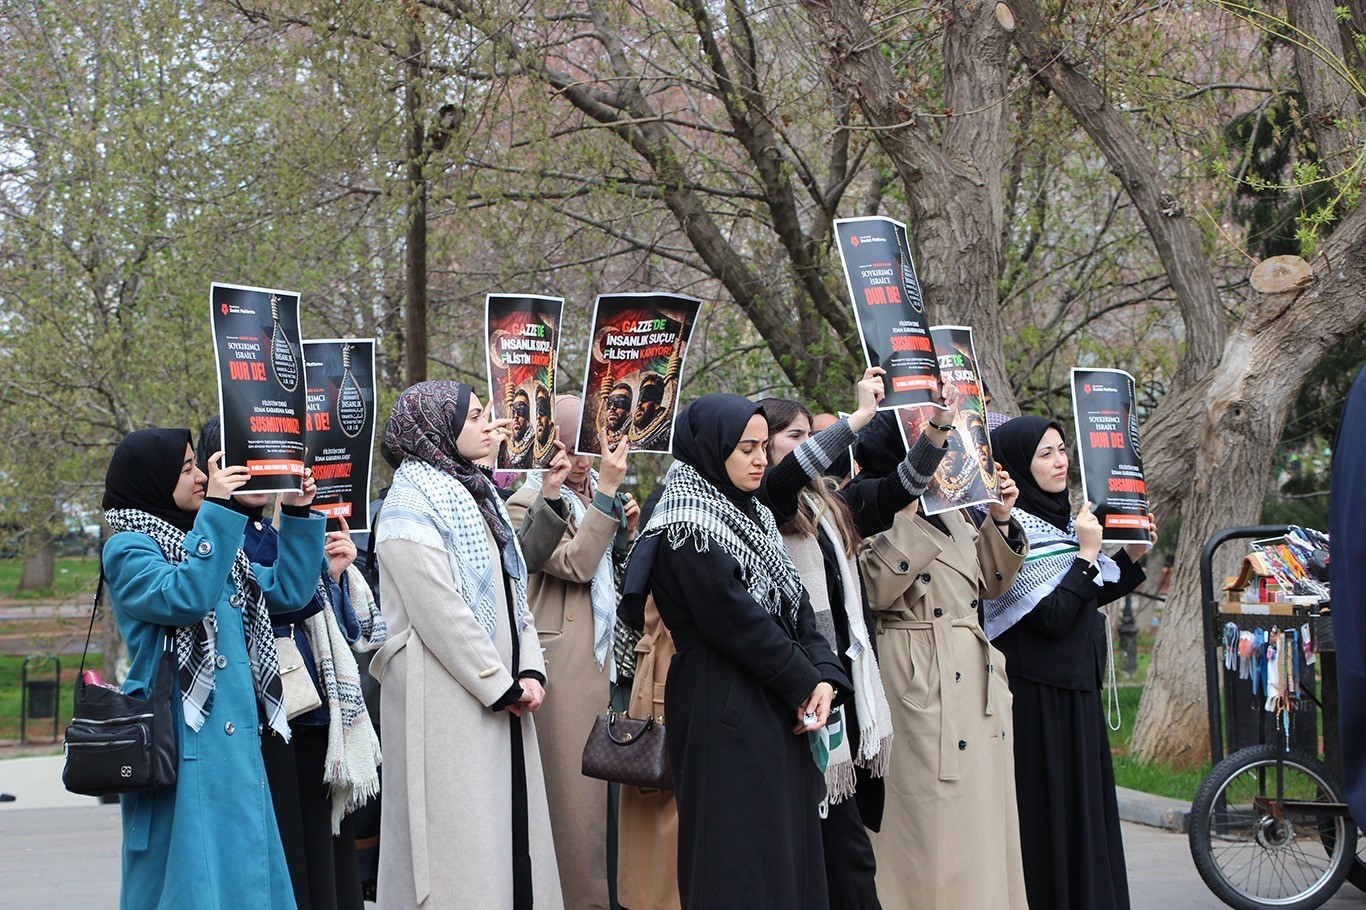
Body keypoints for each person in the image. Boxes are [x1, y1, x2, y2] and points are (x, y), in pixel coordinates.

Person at [622, 393, 852, 910]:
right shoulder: (686, 522)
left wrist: (822, 677)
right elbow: (737, 622)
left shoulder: (751, 514)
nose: (759, 459)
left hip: (775, 701)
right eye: (745, 448)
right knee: (737, 860)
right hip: (723, 705)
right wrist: (802, 682)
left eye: (761, 447)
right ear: (712, 448)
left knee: (786, 856)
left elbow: (795, 604)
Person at [101, 428, 325, 909]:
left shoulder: (202, 535)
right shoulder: (128, 547)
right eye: (186, 469)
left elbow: (286, 593)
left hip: (232, 732)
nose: (202, 476)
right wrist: (220, 515)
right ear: (154, 479)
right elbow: (184, 597)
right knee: (189, 879)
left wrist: (300, 513)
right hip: (178, 734)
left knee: (240, 871)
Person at [370, 381, 564, 910]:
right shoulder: (409, 504)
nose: (487, 425)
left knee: (505, 841)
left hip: (500, 690)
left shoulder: (477, 493)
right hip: (446, 697)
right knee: (460, 848)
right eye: (474, 416)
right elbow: (441, 614)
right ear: (436, 425)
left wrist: (530, 670)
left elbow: (512, 586)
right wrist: (499, 683)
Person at [195, 418, 382, 910]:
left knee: (324, 844)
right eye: (245, 463)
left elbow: (323, 618)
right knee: (292, 847)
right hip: (268, 712)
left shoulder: (272, 526)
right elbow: (280, 596)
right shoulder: (214, 529)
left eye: (267, 462)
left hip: (316, 707)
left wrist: (335, 575)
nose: (258, 476)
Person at [855, 393, 1031, 910]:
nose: (947, 456)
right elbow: (875, 591)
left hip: (972, 680)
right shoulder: (867, 503)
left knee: (979, 821)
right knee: (929, 824)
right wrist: (903, 516)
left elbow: (990, 584)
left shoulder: (949, 509)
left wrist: (1000, 518)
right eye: (933, 445)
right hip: (918, 679)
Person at [984, 417, 1155, 910]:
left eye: (1062, 450)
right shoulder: (1015, 533)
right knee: (1051, 820)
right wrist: (1086, 553)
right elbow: (1054, 616)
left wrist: (1133, 551)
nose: (1059, 462)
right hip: (1038, 700)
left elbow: (1088, 594)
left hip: (1076, 692)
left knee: (1085, 817)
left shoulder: (1059, 525)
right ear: (1016, 465)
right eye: (1045, 454)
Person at [758, 368, 892, 910]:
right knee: (838, 845)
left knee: (847, 845)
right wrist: (857, 420)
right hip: (805, 685)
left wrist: (938, 429)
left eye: (810, 434)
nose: (808, 445)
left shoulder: (828, 503)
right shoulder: (771, 497)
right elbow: (789, 475)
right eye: (795, 435)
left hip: (845, 677)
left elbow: (904, 485)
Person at [506, 397, 640, 910]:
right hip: (562, 672)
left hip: (608, 665)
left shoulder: (604, 502)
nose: (585, 455)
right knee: (574, 810)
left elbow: (620, 587)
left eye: (592, 440)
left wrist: (624, 532)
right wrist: (604, 494)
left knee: (612, 806)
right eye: (572, 442)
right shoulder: (526, 501)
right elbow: (578, 564)